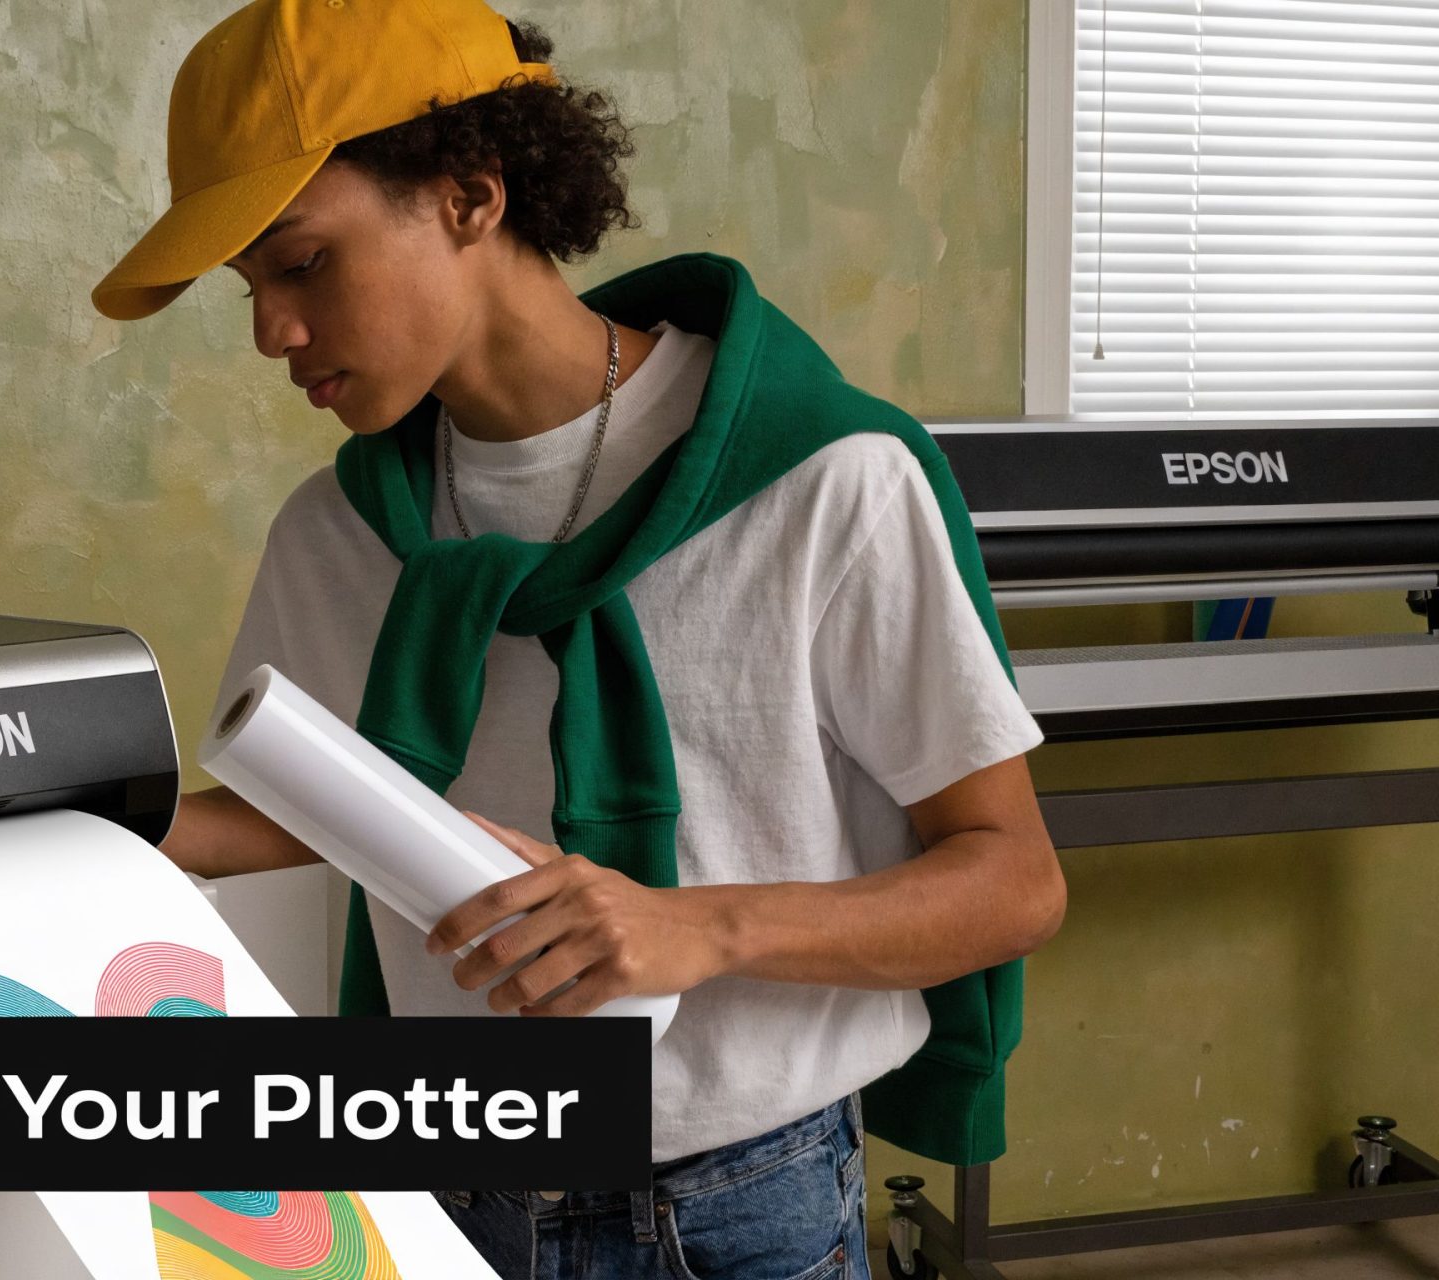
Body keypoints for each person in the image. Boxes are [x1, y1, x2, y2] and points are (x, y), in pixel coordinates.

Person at [91, 3, 1065, 1277]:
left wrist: (697, 927)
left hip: (735, 1204)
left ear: (469, 196)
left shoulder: (826, 480)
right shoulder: (338, 529)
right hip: (438, 1182)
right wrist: (45, 814)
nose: (271, 330)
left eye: (302, 263)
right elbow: (323, 808)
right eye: (252, 289)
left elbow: (1012, 878)